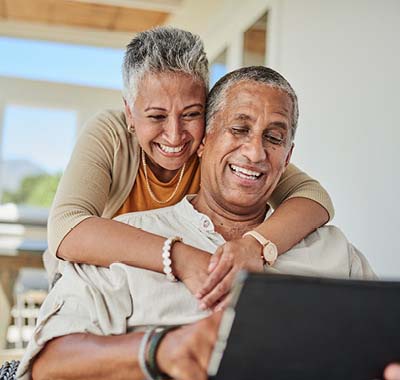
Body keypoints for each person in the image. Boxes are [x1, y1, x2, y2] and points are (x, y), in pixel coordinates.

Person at [19, 66, 378, 380]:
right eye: (239, 129)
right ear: (204, 141)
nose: (255, 153)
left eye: (273, 138)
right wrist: (159, 350)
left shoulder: (333, 252)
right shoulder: (126, 241)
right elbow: (46, 364)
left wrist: (257, 245)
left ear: (288, 158)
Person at [45, 27, 335, 304]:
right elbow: (66, 227)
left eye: (191, 114)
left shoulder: (220, 151)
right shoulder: (111, 134)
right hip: (101, 281)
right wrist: (179, 258)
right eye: (157, 117)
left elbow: (313, 197)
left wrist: (256, 245)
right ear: (130, 114)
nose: (175, 135)